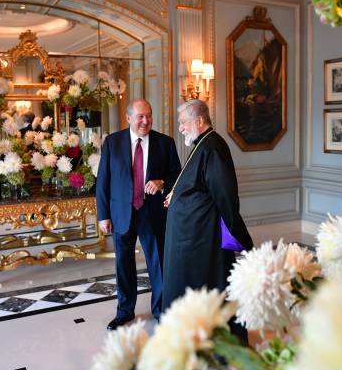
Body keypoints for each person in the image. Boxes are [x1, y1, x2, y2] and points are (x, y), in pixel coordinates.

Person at [162, 99, 254, 341]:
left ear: (199, 120)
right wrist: (176, 194)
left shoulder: (212, 147)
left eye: (183, 122)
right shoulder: (202, 144)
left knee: (208, 289)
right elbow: (197, 183)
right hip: (191, 238)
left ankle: (213, 338)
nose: (180, 128)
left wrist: (240, 236)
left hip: (202, 241)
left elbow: (225, 195)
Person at [96, 99, 181, 330]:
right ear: (128, 118)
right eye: (141, 116)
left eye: (149, 116)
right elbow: (103, 181)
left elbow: (178, 175)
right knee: (123, 264)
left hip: (152, 213)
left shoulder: (166, 143)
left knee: (158, 264)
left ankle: (161, 310)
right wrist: (103, 215)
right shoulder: (113, 143)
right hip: (121, 213)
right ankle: (124, 312)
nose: (146, 121)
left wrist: (162, 181)